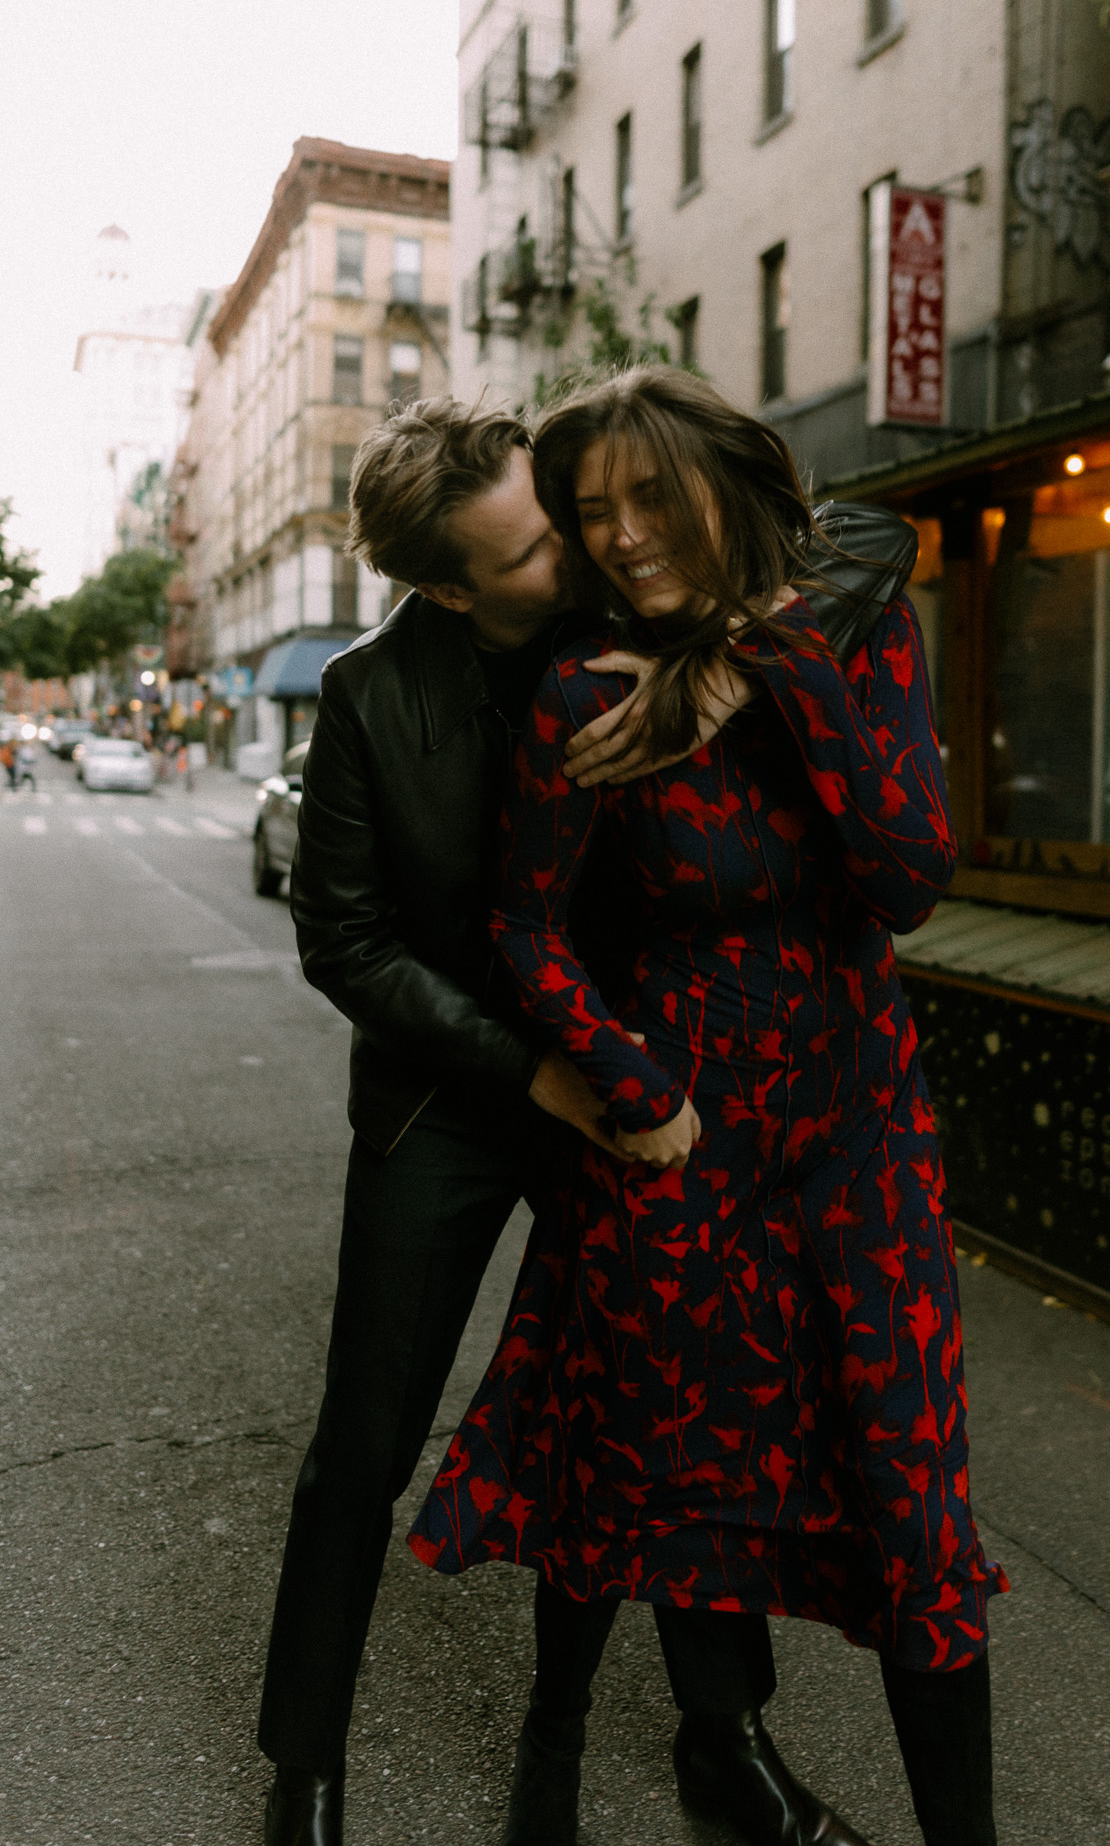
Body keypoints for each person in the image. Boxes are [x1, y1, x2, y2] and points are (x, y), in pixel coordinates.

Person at [259, 394, 915, 1846]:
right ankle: (303, 1769)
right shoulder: (370, 693)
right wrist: (534, 1071)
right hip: (459, 1097)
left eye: (559, 521)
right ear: (449, 589)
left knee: (684, 1412)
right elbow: (346, 944)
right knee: (364, 1442)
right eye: (533, 552)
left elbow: (870, 533)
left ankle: (725, 1742)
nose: (579, 554)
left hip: (642, 1080)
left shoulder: (636, 606)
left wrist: (734, 662)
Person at [410, 368, 1006, 1846]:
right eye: (591, 512)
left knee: (912, 1488)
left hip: (860, 1125)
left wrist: (774, 668)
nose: (620, 537)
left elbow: (909, 880)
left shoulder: (852, 636)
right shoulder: (586, 686)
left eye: (649, 499)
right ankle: (673, 1759)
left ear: (718, 484)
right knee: (674, 1468)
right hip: (683, 1135)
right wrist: (631, 1082)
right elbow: (525, 926)